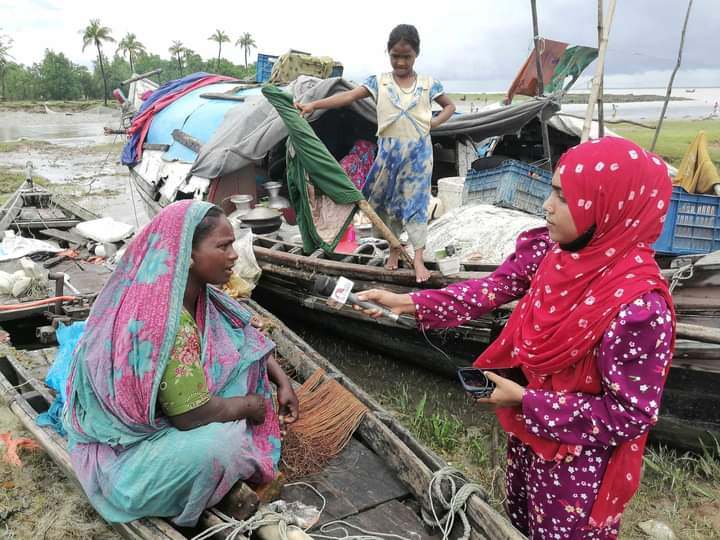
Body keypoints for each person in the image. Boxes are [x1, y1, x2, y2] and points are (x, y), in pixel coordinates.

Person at [354, 137, 675, 538]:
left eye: (564, 195)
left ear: (609, 206)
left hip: (577, 465)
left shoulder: (639, 309)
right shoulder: (553, 251)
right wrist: (409, 303)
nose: (547, 205)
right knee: (519, 523)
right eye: (552, 190)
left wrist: (526, 399)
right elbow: (491, 289)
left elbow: (629, 415)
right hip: (529, 434)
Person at [63, 201, 299, 526]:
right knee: (222, 448)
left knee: (234, 380)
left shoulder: (197, 293)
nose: (234, 255)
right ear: (188, 255)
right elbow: (190, 416)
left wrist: (282, 381)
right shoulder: (165, 321)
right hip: (130, 449)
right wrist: (250, 405)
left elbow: (242, 333)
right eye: (223, 246)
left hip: (179, 411)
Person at [295, 24, 456, 282]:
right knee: (384, 205)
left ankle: (417, 259)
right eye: (395, 56)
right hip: (388, 156)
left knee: (416, 205)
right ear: (388, 53)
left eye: (407, 56)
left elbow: (449, 106)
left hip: (418, 157)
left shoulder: (428, 84)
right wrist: (315, 104)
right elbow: (348, 97)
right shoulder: (378, 82)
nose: (401, 62)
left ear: (417, 54)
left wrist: (435, 123)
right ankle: (394, 248)